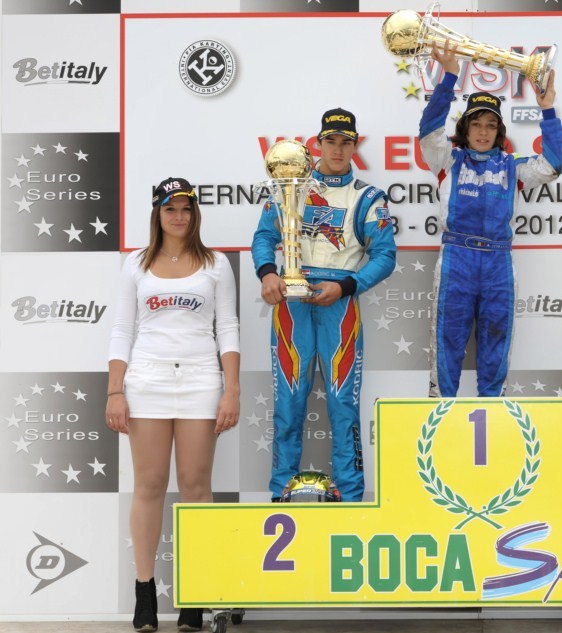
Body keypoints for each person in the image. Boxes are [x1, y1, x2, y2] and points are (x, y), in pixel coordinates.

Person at [106, 177, 240, 632]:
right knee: (149, 485)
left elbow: (228, 329)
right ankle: (145, 595)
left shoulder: (216, 263)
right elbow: (122, 330)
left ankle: (195, 594)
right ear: (157, 213)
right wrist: (115, 390)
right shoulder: (136, 264)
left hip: (201, 379)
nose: (179, 216)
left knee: (196, 486)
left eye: (186, 208)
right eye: (170, 209)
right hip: (147, 380)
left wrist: (232, 388)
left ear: (194, 213)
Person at [252, 108, 396, 503]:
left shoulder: (368, 197)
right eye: (330, 141)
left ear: (355, 146)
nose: (337, 149)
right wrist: (267, 273)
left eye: (345, 142)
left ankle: (350, 497)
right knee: (288, 403)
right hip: (291, 305)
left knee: (342, 403)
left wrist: (347, 286)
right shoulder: (289, 187)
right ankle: (280, 494)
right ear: (317, 144)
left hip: (340, 305)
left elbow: (385, 256)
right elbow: (264, 237)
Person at [420, 42, 562, 397]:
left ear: (499, 132)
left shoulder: (513, 167)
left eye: (490, 125)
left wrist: (547, 110)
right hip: (457, 258)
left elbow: (553, 165)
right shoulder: (448, 159)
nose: (483, 132)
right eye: (476, 124)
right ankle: (441, 409)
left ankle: (494, 410)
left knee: (496, 344)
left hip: (498, 260)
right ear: (465, 128)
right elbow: (429, 129)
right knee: (447, 341)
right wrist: (449, 77)